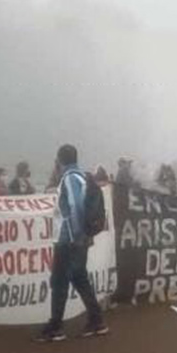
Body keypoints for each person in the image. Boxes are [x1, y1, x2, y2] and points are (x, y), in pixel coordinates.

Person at [37, 144, 108, 342]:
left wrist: (77, 235)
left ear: (59, 160)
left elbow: (75, 206)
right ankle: (97, 321)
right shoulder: (81, 177)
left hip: (68, 240)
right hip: (77, 239)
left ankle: (56, 327)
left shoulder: (69, 178)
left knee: (59, 282)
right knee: (79, 279)